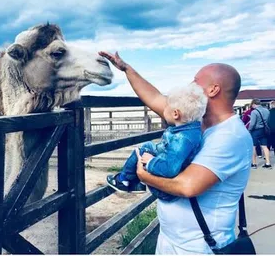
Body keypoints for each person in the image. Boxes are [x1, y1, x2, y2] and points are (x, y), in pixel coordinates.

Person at [99, 51, 252, 254]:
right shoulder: (192, 121)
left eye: (195, 81)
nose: (190, 85)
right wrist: (126, 69)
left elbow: (187, 186)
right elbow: (155, 98)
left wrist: (144, 176)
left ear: (213, 89)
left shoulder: (231, 136)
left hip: (200, 247)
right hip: (171, 240)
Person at [106, 83, 207, 202]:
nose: (164, 109)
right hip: (171, 178)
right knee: (148, 146)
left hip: (167, 190)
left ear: (175, 114)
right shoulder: (189, 131)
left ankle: (124, 180)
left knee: (142, 150)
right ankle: (133, 182)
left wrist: (150, 161)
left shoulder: (183, 139)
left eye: (166, 106)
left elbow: (169, 168)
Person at [248, 98, 271, 169]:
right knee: (264, 146)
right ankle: (268, 163)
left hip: (256, 130)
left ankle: (254, 163)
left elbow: (252, 124)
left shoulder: (254, 112)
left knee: (253, 146)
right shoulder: (267, 110)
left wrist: (249, 130)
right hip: (264, 130)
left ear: (254, 104)